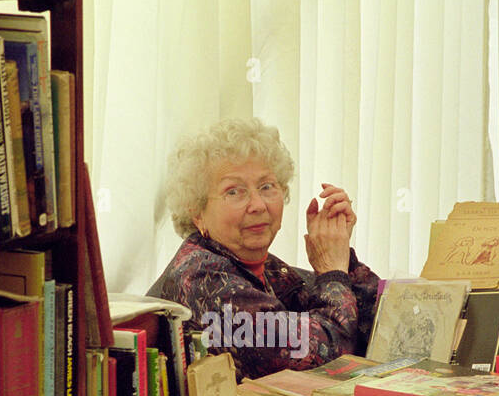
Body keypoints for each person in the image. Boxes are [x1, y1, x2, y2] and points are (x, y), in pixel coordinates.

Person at [152, 117, 381, 381]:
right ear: (197, 212)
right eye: (234, 192)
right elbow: (327, 356)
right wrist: (332, 271)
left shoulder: (266, 267)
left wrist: (339, 250)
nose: (258, 204)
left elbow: (378, 325)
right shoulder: (203, 278)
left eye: (266, 187)